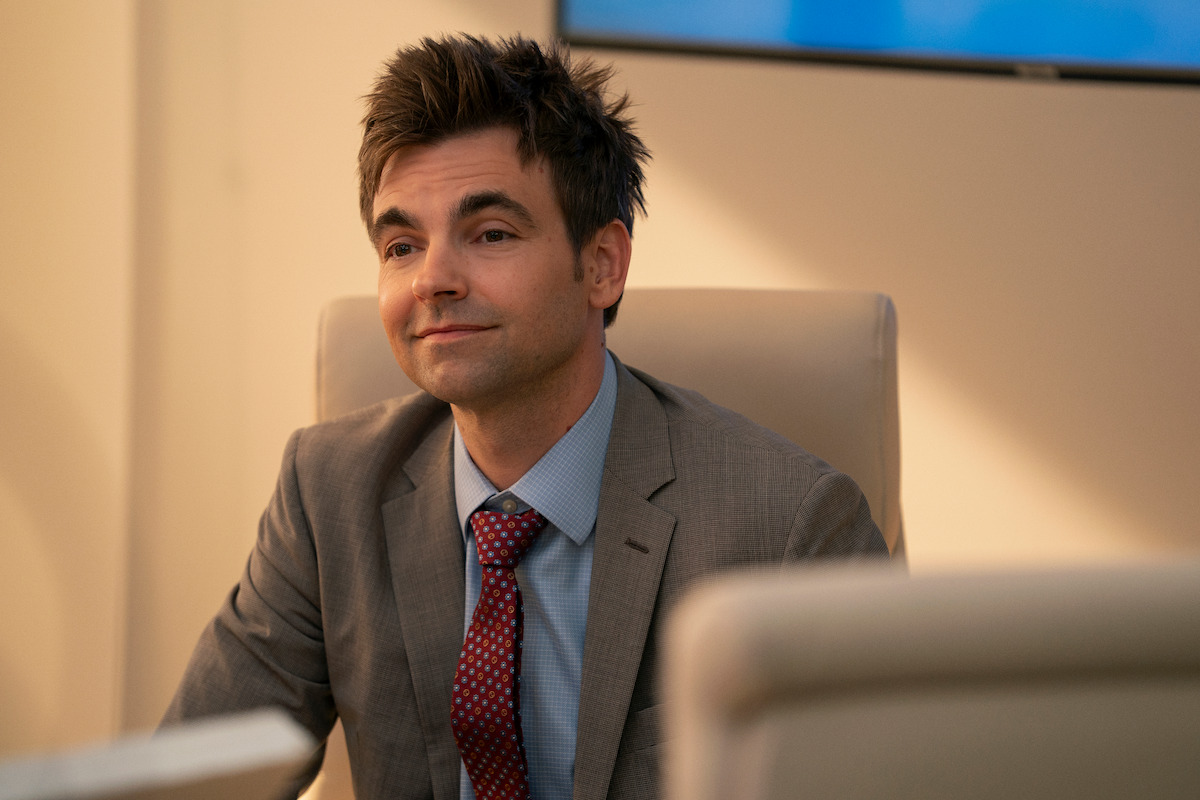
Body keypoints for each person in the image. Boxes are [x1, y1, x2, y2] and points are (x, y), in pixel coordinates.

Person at [161, 33, 890, 800]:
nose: (432, 280)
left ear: (603, 264)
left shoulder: (789, 526)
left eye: (491, 235)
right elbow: (194, 783)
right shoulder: (327, 497)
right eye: (401, 245)